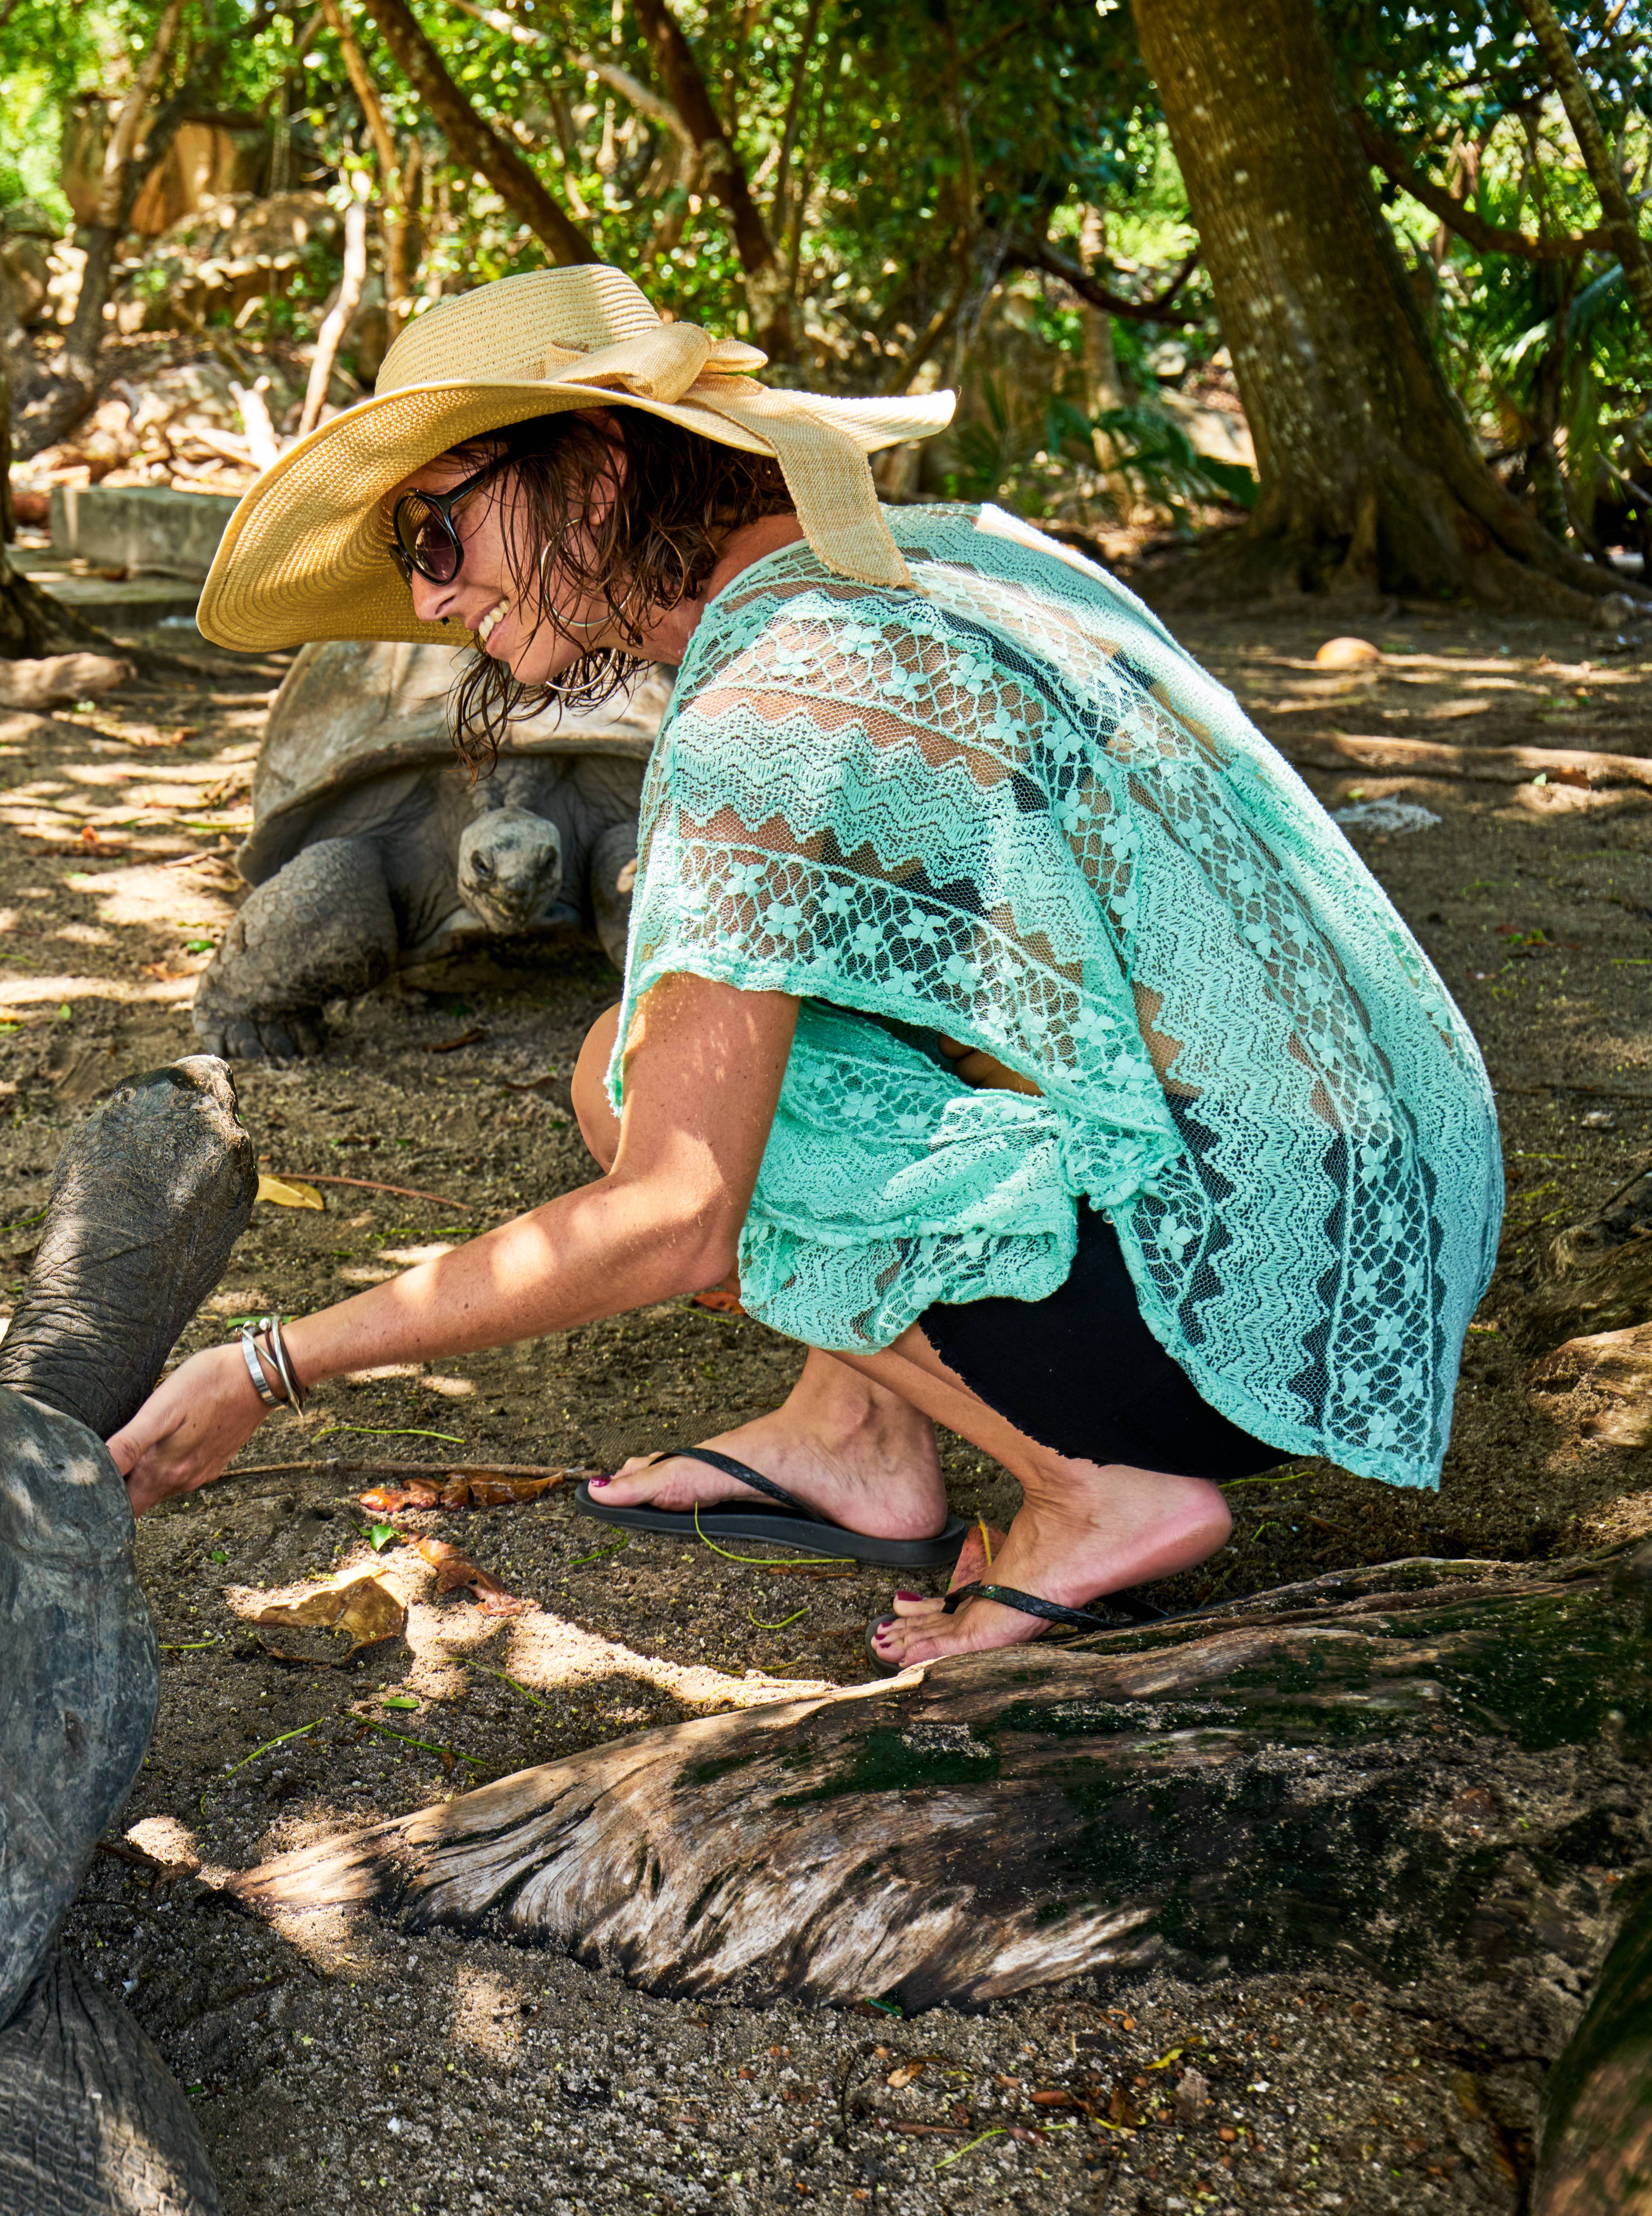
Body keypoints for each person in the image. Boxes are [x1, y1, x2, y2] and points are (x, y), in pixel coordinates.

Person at [114, 264, 1502, 1664]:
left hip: (1238, 1300)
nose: (426, 597)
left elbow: (677, 1219)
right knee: (755, 1030)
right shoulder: (954, 555)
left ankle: (1098, 1489)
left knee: (632, 1078)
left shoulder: (769, 700)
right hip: (1392, 1211)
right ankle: (856, 1426)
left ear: (593, 474)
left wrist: (269, 1364)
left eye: (437, 529)